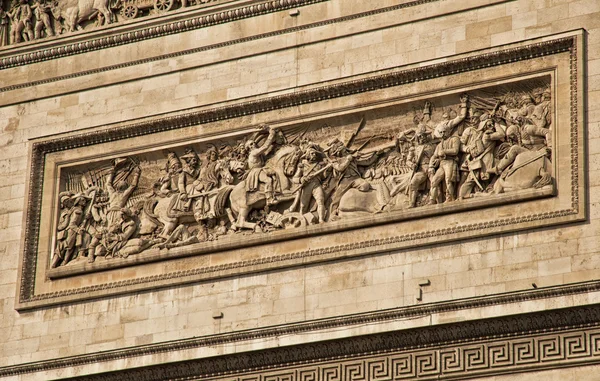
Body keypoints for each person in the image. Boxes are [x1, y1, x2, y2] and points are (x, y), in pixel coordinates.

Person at [287, 145, 328, 223]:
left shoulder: (319, 165)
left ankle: (321, 219)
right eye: (312, 153)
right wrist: (301, 179)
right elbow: (294, 179)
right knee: (303, 206)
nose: (314, 155)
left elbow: (323, 177)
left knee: (320, 201)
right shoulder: (302, 165)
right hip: (307, 186)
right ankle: (301, 221)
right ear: (308, 154)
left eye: (315, 154)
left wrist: (327, 167)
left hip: (316, 185)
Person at [244, 125, 280, 205]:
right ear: (248, 148)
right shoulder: (253, 153)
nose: (253, 144)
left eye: (253, 143)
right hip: (256, 172)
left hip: (261, 169)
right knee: (268, 180)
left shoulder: (258, 154)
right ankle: (269, 199)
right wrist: (271, 134)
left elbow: (266, 152)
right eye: (250, 144)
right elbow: (265, 147)